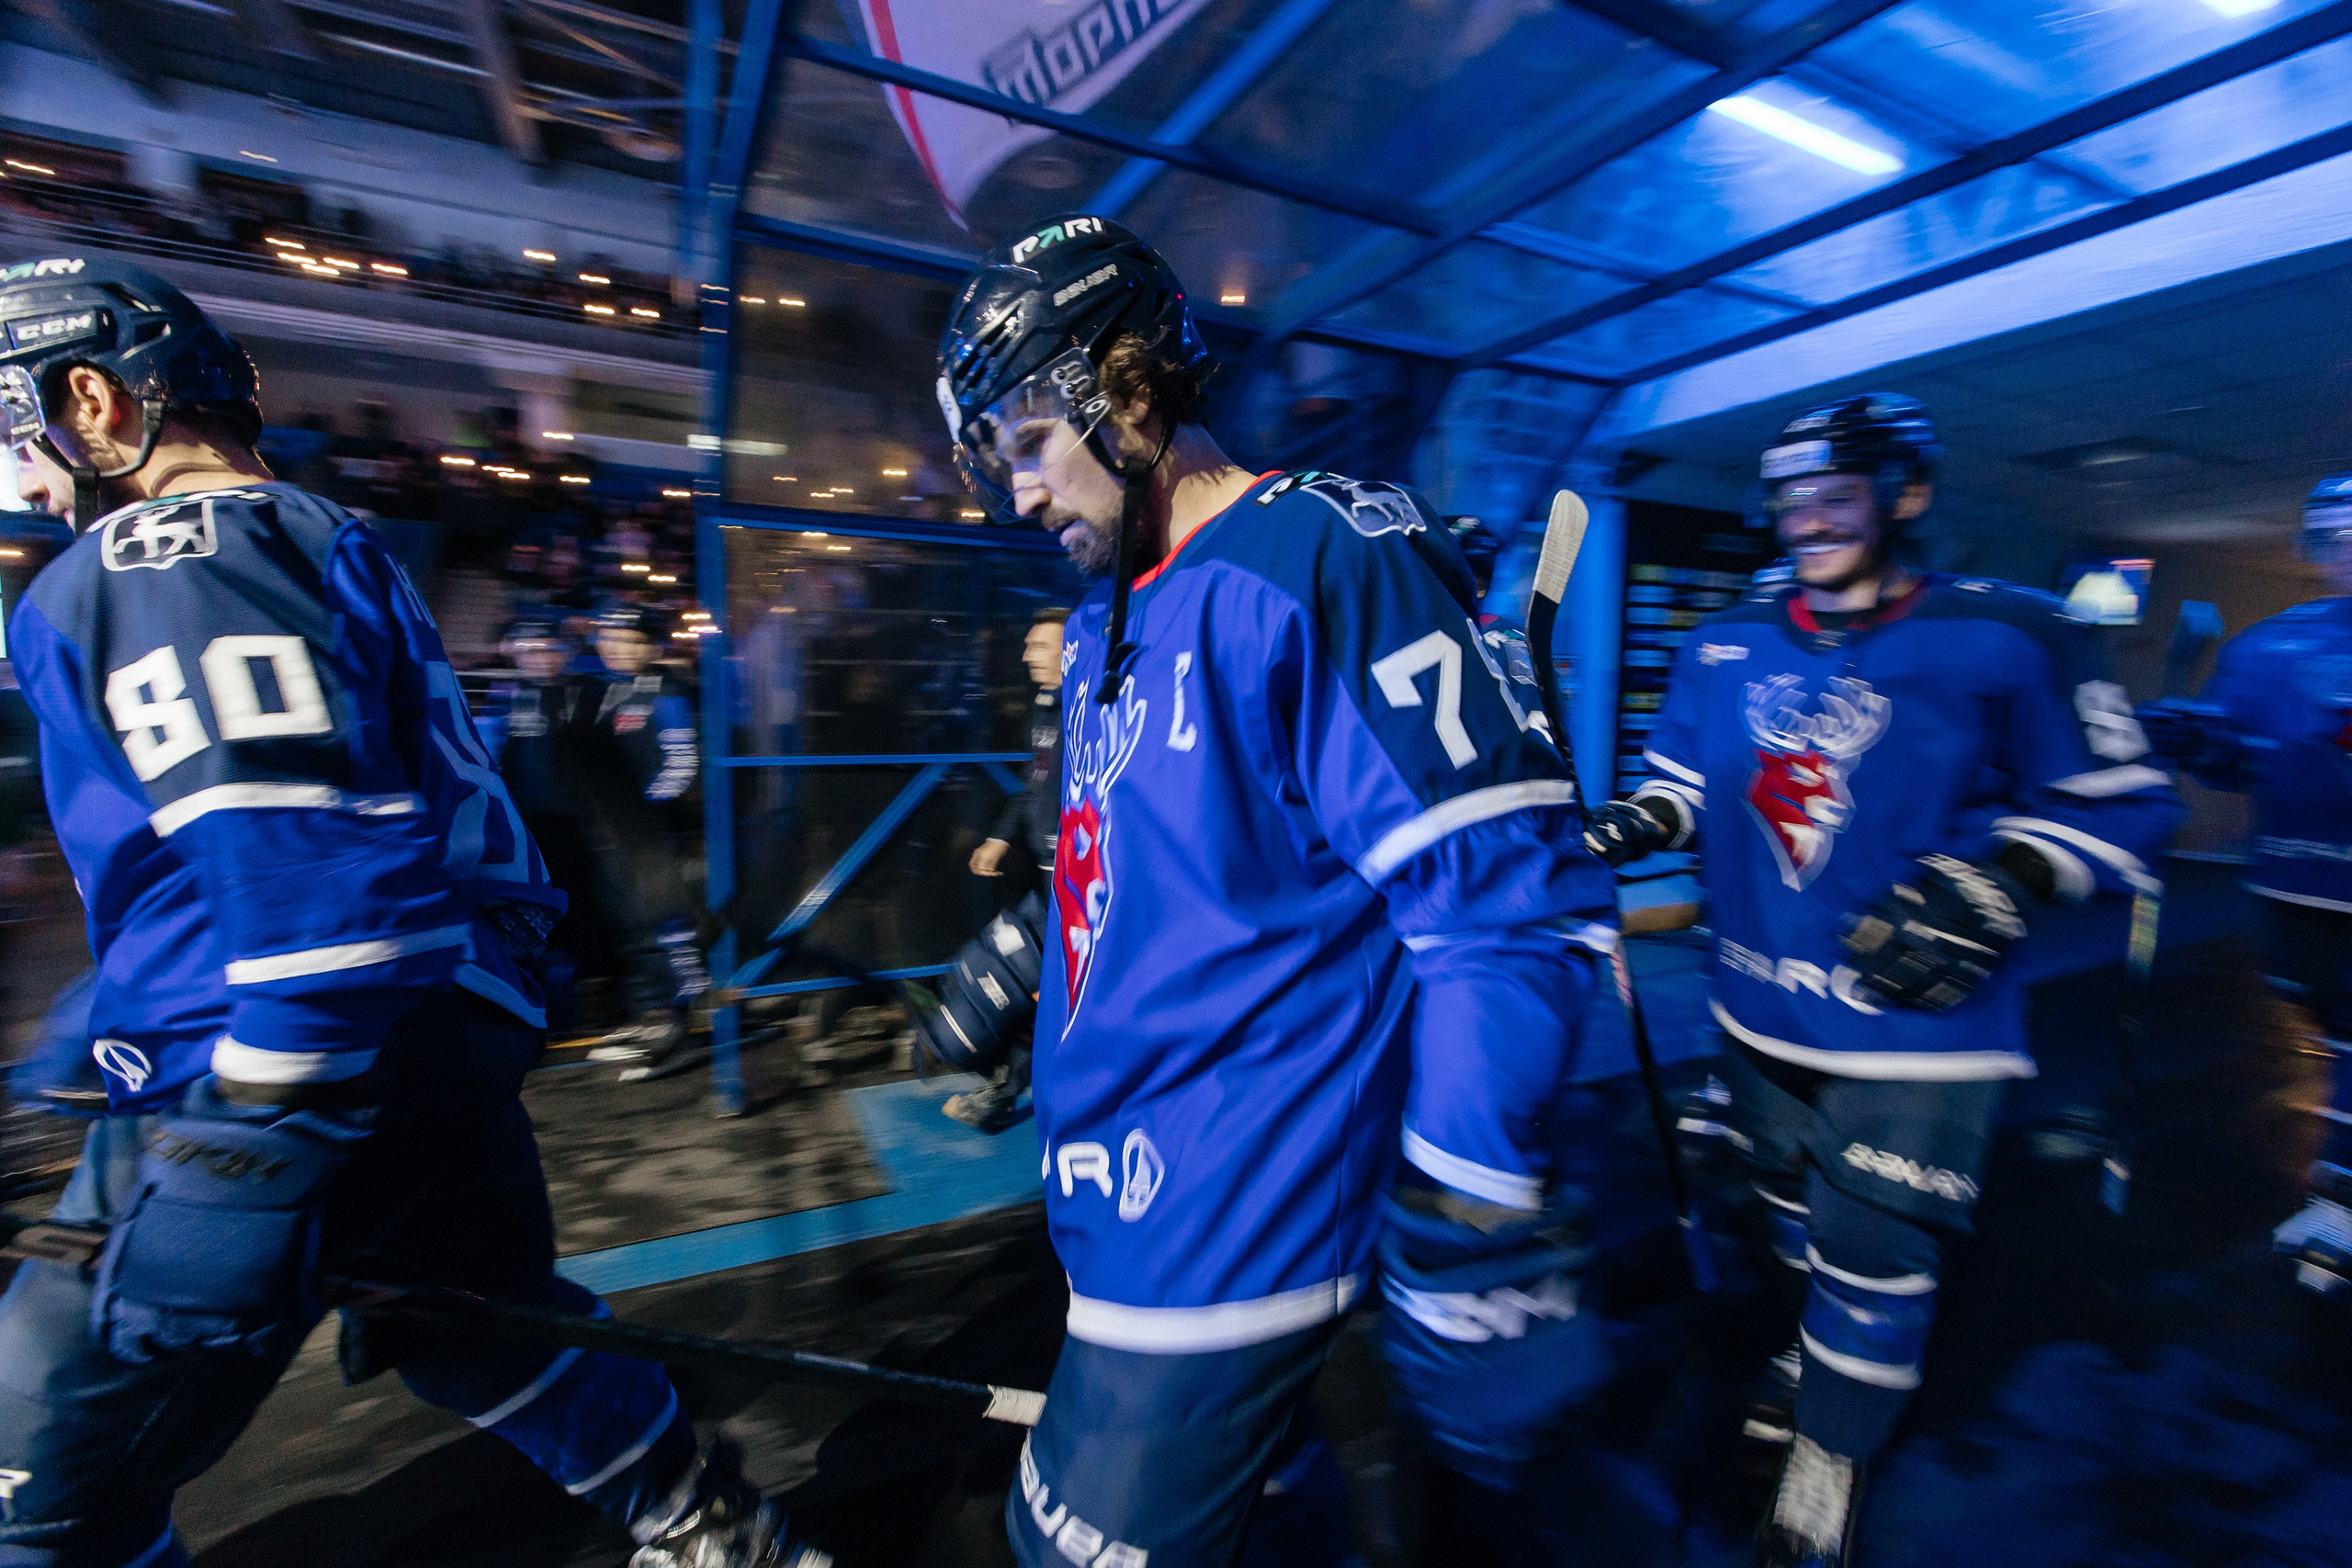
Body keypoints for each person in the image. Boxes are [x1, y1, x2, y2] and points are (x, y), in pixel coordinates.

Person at [0, 255, 818, 1568]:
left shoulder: (159, 551)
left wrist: (248, 1141)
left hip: (292, 1056)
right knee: (479, 1326)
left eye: (15, 421)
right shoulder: (311, 535)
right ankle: (714, 1525)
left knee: (38, 1469)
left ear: (92, 398)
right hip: (445, 1018)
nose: (23, 474)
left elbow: (309, 893)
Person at [937, 215, 1619, 1567]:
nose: (1012, 491)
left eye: (1024, 440)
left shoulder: (1315, 558)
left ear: (1127, 392)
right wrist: (1037, 946)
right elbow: (1170, 854)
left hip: (1227, 1213)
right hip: (1122, 1195)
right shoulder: (1102, 620)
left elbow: (1503, 910)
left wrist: (1468, 1182)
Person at [1581, 394, 2182, 1568]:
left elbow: (2125, 802)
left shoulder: (2013, 633)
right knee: (1799, 1226)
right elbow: (1686, 779)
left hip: (1919, 1034)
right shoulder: (1726, 640)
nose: (1807, 520)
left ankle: (1835, 1449)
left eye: (1837, 495)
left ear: (1906, 495)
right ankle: (1823, 1348)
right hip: (1754, 1009)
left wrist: (2003, 878)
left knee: (1874, 1249)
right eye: (1791, 499)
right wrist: (1634, 819)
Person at [2137, 471, 2352, 1298]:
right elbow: (2234, 758)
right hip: (2293, 887)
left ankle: (2336, 1198)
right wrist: (2194, 737)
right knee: (2323, 1028)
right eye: (2332, 536)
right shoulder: (2269, 646)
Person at [933, 605, 1067, 1132]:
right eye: (1029, 644)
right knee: (1023, 978)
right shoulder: (1046, 707)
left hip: (1083, 884)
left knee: (1043, 988)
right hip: (1048, 876)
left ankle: (1007, 1092)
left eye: (1039, 646)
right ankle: (1006, 1089)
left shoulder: (1093, 713)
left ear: (1069, 650)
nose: (1026, 654)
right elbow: (1035, 781)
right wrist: (999, 836)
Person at [576, 603, 708, 1078]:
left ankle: (676, 1022)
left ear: (648, 646)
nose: (613, 647)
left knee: (663, 929)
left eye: (627, 639)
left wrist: (640, 807)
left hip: (651, 836)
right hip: (615, 836)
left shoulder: (666, 694)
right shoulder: (610, 692)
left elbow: (681, 766)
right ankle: (647, 1014)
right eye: (607, 637)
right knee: (629, 928)